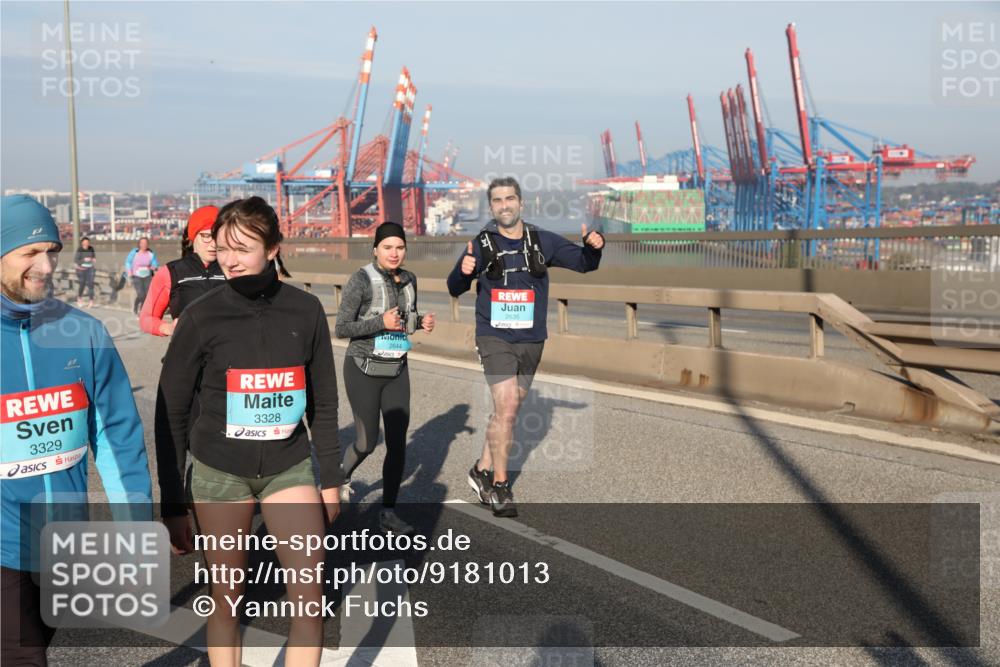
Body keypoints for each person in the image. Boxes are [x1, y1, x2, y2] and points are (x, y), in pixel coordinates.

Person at [158, 196, 342, 666]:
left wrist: (331, 479)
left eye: (242, 248)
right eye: (222, 248)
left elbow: (323, 403)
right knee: (227, 600)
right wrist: (173, 500)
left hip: (289, 467)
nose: (230, 260)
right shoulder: (200, 314)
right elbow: (171, 411)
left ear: (273, 248)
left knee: (310, 600)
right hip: (219, 472)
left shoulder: (306, 310)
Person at [0, 195, 152, 666]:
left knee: (38, 638)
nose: (46, 266)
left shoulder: (83, 331)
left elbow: (117, 436)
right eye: (29, 253)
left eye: (52, 251)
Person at [447, 177, 604, 517]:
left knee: (508, 411)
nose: (504, 205)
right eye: (497, 200)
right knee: (506, 408)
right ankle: (501, 486)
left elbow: (584, 263)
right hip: (494, 336)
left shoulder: (542, 240)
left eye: (509, 198)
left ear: (520, 202)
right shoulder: (481, 243)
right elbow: (454, 286)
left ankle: (481, 469)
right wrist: (463, 272)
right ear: (491, 207)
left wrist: (594, 246)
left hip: (532, 339)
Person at [334, 222, 436, 535]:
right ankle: (340, 476)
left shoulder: (410, 279)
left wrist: (421, 321)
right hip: (363, 368)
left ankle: (388, 512)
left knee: (397, 444)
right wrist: (381, 321)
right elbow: (342, 328)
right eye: (388, 247)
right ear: (375, 249)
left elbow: (404, 320)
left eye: (400, 247)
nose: (394, 253)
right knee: (366, 442)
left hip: (396, 370)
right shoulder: (361, 279)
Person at [139, 206, 224, 337]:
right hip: (188, 348)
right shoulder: (171, 272)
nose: (213, 244)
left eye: (217, 236)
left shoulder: (234, 268)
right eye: (207, 236)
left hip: (230, 348)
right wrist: (168, 328)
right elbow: (146, 318)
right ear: (193, 236)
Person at [124, 237, 159, 315]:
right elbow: (128, 262)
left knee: (147, 295)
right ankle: (136, 306)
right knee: (141, 295)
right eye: (142, 243)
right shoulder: (134, 252)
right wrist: (129, 272)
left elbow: (155, 263)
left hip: (147, 276)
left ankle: (142, 311)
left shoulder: (150, 253)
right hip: (136, 276)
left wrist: (154, 267)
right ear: (139, 244)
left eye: (146, 243)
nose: (144, 245)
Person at [73, 236, 96, 307]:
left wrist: (93, 259)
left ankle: (91, 301)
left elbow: (94, 257)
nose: (86, 244)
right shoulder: (80, 250)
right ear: (82, 243)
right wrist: (84, 260)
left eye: (88, 242)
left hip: (90, 268)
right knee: (82, 283)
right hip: (81, 269)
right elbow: (76, 260)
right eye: (85, 243)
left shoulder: (91, 248)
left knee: (91, 284)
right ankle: (79, 297)